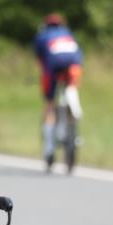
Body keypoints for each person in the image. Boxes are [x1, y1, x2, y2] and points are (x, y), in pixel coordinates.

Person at [33, 13, 83, 169]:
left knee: (50, 104)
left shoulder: (42, 36)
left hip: (53, 66)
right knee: (71, 88)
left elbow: (41, 61)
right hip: (74, 65)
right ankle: (74, 113)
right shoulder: (68, 34)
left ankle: (49, 147)